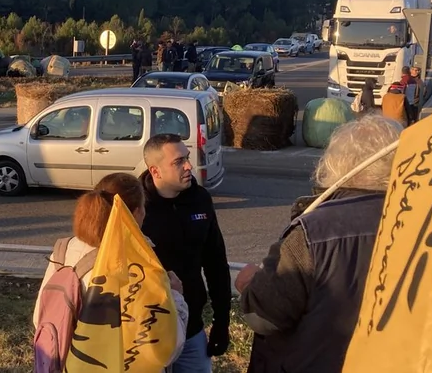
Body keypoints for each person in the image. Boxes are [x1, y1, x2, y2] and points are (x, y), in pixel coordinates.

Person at [237, 114, 404, 373]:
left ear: (335, 163)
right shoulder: (427, 223)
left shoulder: (312, 232)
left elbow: (264, 318)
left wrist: (250, 286)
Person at [33, 173, 189, 371]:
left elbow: (40, 318)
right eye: (143, 208)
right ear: (135, 214)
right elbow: (164, 348)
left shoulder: (63, 251)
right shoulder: (139, 266)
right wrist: (176, 297)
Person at [139, 133, 232, 372]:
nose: (189, 166)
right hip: (146, 332)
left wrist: (222, 321)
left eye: (187, 158)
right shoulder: (136, 208)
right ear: (155, 171)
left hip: (191, 327)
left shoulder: (200, 199)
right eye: (178, 162)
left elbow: (216, 262)